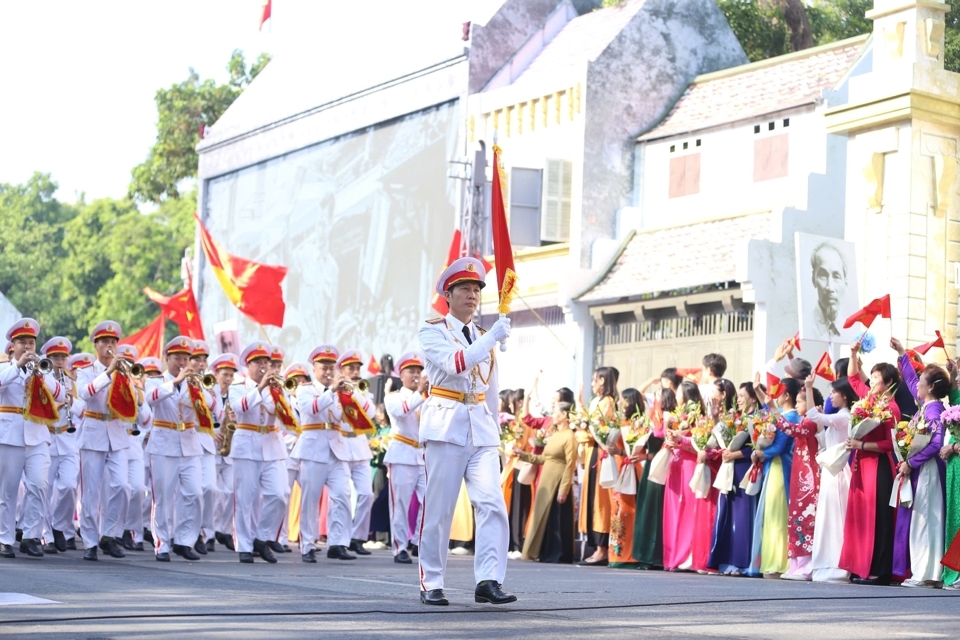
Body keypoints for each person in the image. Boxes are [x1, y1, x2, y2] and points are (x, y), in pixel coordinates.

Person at [417, 256, 515, 606]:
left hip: (480, 428)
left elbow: (491, 390)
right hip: (446, 425)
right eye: (464, 289)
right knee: (440, 509)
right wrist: (491, 341)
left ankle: (488, 579)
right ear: (449, 293)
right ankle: (432, 580)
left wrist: (496, 434)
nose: (472, 295)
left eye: (476, 290)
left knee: (492, 503)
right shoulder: (432, 330)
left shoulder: (484, 336)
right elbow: (457, 364)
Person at [0, 319, 65, 558]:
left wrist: (40, 373)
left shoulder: (41, 370)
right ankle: (4, 538)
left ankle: (30, 536)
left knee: (39, 485)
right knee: (7, 491)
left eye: (31, 342)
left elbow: (60, 393)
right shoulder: (5, 369)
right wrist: (18, 366)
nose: (28, 347)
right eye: (22, 343)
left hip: (37, 435)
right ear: (12, 347)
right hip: (9, 435)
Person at [144, 337, 210, 562]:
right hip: (164, 444)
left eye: (185, 358)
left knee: (195, 493)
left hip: (190, 444)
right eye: (177, 358)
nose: (182, 362)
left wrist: (195, 386)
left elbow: (210, 406)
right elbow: (150, 399)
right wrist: (175, 382)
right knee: (163, 497)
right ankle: (161, 543)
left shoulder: (195, 383)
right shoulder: (157, 381)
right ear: (167, 359)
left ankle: (184, 540)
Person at [841, 342, 900, 585]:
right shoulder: (868, 402)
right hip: (861, 465)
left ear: (888, 384)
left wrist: (861, 445)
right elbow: (853, 377)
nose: (872, 381)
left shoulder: (891, 408)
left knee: (878, 519)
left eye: (877, 378)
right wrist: (853, 354)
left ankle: (878, 569)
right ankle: (860, 565)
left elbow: (890, 444)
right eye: (872, 376)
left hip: (879, 467)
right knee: (860, 517)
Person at [891, 338, 948, 588]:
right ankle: (925, 571)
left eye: (922, 381)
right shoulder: (926, 406)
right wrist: (903, 354)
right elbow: (913, 382)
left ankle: (926, 573)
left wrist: (911, 462)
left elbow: (935, 444)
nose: (917, 385)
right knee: (921, 518)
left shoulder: (934, 411)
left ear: (932, 388)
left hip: (927, 470)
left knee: (926, 519)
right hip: (921, 469)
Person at [77, 321, 134, 561]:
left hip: (117, 432)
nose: (110, 346)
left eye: (113, 342)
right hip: (93, 431)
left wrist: (125, 376)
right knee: (91, 493)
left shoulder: (124, 370)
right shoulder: (85, 370)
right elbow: (85, 393)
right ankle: (90, 541)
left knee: (122, 486)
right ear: (96, 345)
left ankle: (109, 535)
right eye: (105, 342)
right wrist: (108, 372)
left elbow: (133, 400)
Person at [294, 344, 355, 562]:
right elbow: (311, 409)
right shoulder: (305, 389)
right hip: (314, 449)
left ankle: (337, 543)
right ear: (314, 368)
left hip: (337, 450)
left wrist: (351, 397)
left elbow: (354, 417)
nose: (328, 371)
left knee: (342, 496)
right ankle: (307, 545)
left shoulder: (340, 391)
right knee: (311, 499)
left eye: (331, 367)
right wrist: (333, 392)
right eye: (324, 367)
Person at [229, 342, 288, 564]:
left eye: (266, 362)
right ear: (248, 366)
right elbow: (241, 407)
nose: (264, 366)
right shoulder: (238, 387)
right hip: (247, 446)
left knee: (279, 494)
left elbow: (286, 415)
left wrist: (279, 393)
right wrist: (261, 388)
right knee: (245, 499)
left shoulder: (277, 387)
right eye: (259, 363)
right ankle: (244, 545)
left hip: (272, 445)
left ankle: (262, 538)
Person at [805, 375, 858, 583]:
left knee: (835, 519)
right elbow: (823, 436)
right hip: (830, 470)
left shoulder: (844, 416)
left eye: (833, 393)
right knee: (828, 518)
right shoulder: (838, 416)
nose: (830, 397)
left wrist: (809, 389)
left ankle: (836, 565)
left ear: (844, 395)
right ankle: (826, 564)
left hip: (838, 472)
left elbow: (813, 416)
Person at [512, 399, 577, 563]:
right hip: (546, 479)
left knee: (555, 518)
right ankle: (539, 551)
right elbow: (543, 458)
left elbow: (570, 464)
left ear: (564, 415)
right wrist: (523, 453)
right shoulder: (556, 434)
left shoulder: (570, 436)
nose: (553, 416)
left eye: (556, 413)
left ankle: (557, 553)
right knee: (540, 516)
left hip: (557, 480)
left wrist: (564, 488)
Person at [708, 382, 760, 576]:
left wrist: (735, 455)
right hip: (729, 469)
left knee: (743, 515)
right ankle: (727, 560)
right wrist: (715, 418)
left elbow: (756, 446)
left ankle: (742, 562)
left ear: (753, 398)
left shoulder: (758, 419)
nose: (738, 399)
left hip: (744, 468)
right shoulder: (735, 418)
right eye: (737, 396)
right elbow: (722, 439)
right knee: (727, 515)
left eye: (742, 395)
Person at [383, 352, 429, 564]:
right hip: (401, 454)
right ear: (401, 375)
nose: (416, 375)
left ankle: (419, 542)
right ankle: (400, 547)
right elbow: (401, 412)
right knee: (400, 504)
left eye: (419, 371)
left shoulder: (427, 397)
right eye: (411, 371)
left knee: (430, 500)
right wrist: (420, 393)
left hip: (423, 456)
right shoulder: (393, 396)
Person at [751, 377, 797, 578]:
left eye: (779, 392)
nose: (774, 397)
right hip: (772, 467)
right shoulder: (779, 414)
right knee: (770, 515)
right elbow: (765, 410)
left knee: (778, 515)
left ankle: (780, 562)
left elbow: (779, 446)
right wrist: (757, 389)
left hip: (781, 466)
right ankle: (770, 560)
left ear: (787, 395)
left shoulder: (792, 417)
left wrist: (761, 454)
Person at [39, 337, 80, 554]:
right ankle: (46, 535)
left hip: (67, 439)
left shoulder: (69, 380)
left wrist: (72, 402)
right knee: (44, 490)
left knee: (69, 486)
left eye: (63, 357)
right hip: (47, 437)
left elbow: (82, 408)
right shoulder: (42, 379)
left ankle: (58, 525)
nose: (60, 360)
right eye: (55, 357)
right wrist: (55, 404)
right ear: (48, 358)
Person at [334, 349, 376, 556]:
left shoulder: (362, 392)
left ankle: (358, 537)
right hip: (340, 445)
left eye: (358, 368)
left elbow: (371, 413)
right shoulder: (334, 391)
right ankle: (340, 539)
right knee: (342, 495)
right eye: (351, 368)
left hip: (359, 446)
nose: (356, 372)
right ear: (342, 371)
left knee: (367, 494)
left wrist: (355, 392)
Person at [577, 367, 618, 567]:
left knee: (600, 502)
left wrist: (585, 429)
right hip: (593, 450)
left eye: (594, 380)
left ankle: (602, 549)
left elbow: (600, 429)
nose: (592, 384)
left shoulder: (609, 402)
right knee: (592, 500)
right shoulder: (596, 402)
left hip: (601, 452)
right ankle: (595, 548)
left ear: (602, 380)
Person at [662, 380, 703, 571]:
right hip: (676, 463)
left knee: (687, 507)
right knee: (673, 508)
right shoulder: (675, 416)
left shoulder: (697, 417)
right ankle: (673, 554)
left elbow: (699, 444)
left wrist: (681, 442)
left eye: (677, 391)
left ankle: (688, 554)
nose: (675, 394)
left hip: (689, 463)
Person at [115, 345, 151, 553]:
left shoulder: (137, 388)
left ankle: (130, 530)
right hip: (114, 442)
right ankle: (115, 532)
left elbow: (146, 421)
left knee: (137, 489)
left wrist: (138, 395)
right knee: (118, 489)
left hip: (133, 444)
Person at [189, 340, 218, 555]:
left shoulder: (209, 384)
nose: (201, 363)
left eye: (203, 359)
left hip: (206, 441)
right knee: (190, 492)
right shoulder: (178, 382)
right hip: (187, 440)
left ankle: (202, 529)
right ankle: (192, 534)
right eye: (196, 359)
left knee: (209, 489)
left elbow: (217, 411)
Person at [210, 353, 239, 552]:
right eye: (225, 375)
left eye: (231, 376)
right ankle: (208, 533)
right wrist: (211, 432)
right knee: (212, 492)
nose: (228, 379)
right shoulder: (207, 391)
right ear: (216, 374)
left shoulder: (234, 394)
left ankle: (223, 530)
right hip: (210, 448)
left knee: (230, 491)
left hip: (228, 450)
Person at [807, 241, 849, 340]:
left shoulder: (852, 334)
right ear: (813, 279)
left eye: (836, 276)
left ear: (845, 283)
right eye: (823, 275)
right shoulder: (804, 328)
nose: (830, 287)